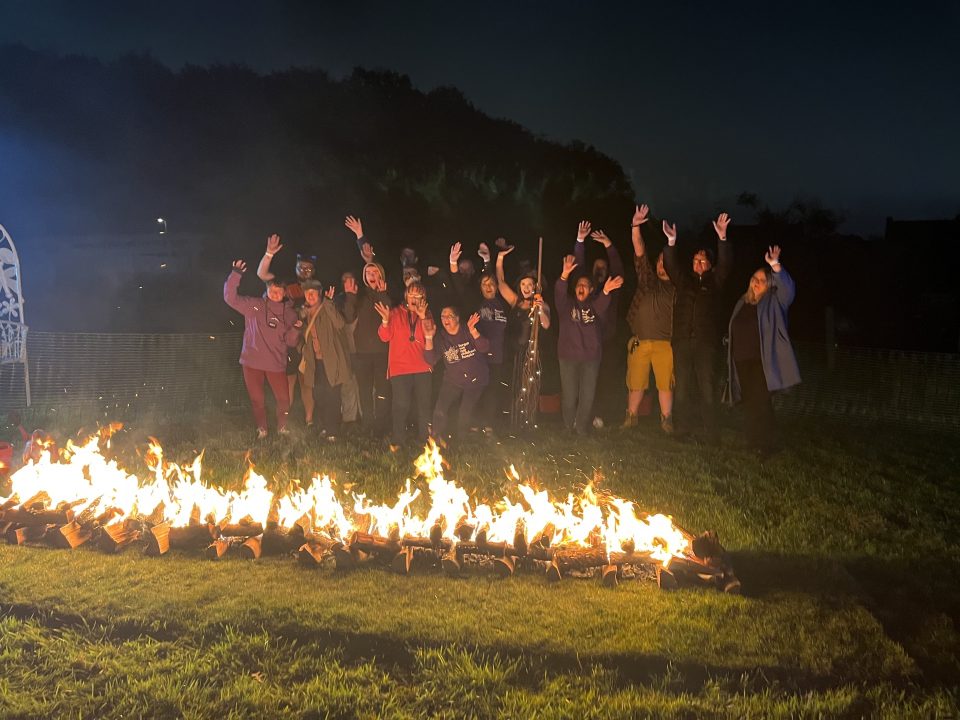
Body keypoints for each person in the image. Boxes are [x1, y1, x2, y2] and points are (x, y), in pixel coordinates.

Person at [663, 213, 732, 443]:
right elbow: (670, 265)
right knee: (681, 387)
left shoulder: (715, 282)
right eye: (695, 260)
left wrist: (722, 237)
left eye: (702, 261)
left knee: (707, 388)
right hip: (682, 341)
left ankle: (711, 433)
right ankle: (682, 429)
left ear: (710, 265)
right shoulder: (685, 281)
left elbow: (726, 264)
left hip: (705, 344)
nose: (698, 263)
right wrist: (671, 243)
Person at [726, 245, 800, 455]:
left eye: (762, 280)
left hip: (762, 361)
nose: (756, 282)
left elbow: (788, 289)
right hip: (742, 360)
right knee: (751, 403)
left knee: (761, 403)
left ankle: (767, 444)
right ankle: (753, 442)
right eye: (754, 278)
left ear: (769, 285)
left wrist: (775, 265)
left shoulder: (775, 302)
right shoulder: (743, 302)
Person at [223, 259, 300, 439]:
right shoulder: (254, 305)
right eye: (271, 290)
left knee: (283, 399)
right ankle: (262, 429)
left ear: (284, 293)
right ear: (266, 289)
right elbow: (230, 298)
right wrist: (235, 274)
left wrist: (296, 329)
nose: (274, 294)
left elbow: (290, 342)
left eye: (278, 291)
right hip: (252, 361)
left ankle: (283, 427)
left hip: (276, 363)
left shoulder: (290, 314)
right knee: (257, 399)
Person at [554, 254, 624, 435]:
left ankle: (581, 427)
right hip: (568, 357)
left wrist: (606, 291)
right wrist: (564, 276)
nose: (581, 287)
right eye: (578, 285)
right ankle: (568, 426)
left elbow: (602, 302)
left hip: (591, 359)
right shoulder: (566, 306)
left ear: (591, 289)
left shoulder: (596, 307)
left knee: (587, 396)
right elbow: (559, 292)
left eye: (585, 285)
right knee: (569, 396)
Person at [623, 204, 676, 432]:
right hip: (640, 340)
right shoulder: (648, 280)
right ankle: (631, 418)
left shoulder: (676, 287)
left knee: (665, 383)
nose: (662, 265)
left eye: (667, 262)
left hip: (665, 343)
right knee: (636, 383)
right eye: (660, 261)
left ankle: (666, 420)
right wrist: (636, 226)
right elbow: (639, 251)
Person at [450, 243, 507, 431]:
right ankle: (473, 422)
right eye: (484, 284)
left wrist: (488, 261)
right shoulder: (475, 302)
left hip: (497, 354)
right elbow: (459, 284)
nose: (488, 286)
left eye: (492, 284)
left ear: (497, 287)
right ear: (480, 288)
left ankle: (488, 423)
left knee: (492, 390)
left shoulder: (503, 303)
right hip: (478, 354)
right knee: (476, 389)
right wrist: (453, 262)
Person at [496, 244, 551, 428]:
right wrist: (500, 257)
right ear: (519, 286)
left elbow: (546, 324)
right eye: (523, 284)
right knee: (511, 388)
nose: (527, 287)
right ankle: (510, 424)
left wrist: (540, 308)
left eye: (530, 284)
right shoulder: (515, 301)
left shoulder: (541, 304)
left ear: (535, 286)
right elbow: (501, 282)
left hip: (530, 354)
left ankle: (526, 424)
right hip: (512, 354)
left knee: (527, 389)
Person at [376, 281, 434, 448]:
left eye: (418, 295)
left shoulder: (427, 314)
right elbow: (384, 337)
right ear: (405, 296)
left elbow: (429, 335)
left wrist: (423, 316)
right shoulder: (394, 313)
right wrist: (386, 321)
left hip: (422, 367)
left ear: (424, 298)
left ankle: (424, 440)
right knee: (400, 405)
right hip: (400, 368)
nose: (414, 298)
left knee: (424, 405)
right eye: (411, 294)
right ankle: (398, 440)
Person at [424, 307, 490, 440]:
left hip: (475, 380)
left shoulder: (467, 330)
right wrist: (429, 337)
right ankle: (435, 439)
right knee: (440, 409)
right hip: (453, 380)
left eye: (450, 316)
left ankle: (463, 443)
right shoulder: (441, 337)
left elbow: (485, 348)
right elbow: (430, 360)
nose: (446, 319)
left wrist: (473, 331)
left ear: (457, 318)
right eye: (443, 316)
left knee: (464, 412)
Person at [299, 281, 353, 441]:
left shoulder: (328, 308)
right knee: (319, 395)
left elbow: (340, 323)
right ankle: (324, 426)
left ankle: (333, 431)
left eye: (313, 293)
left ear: (320, 293)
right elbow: (303, 337)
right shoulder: (304, 313)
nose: (310, 296)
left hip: (332, 362)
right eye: (307, 293)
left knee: (333, 396)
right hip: (314, 363)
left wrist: (329, 304)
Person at [336, 270, 362, 429]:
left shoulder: (362, 298)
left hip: (362, 349)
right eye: (345, 281)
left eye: (351, 280)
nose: (349, 283)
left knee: (365, 384)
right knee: (347, 384)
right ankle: (349, 419)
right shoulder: (338, 300)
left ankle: (366, 415)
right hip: (345, 349)